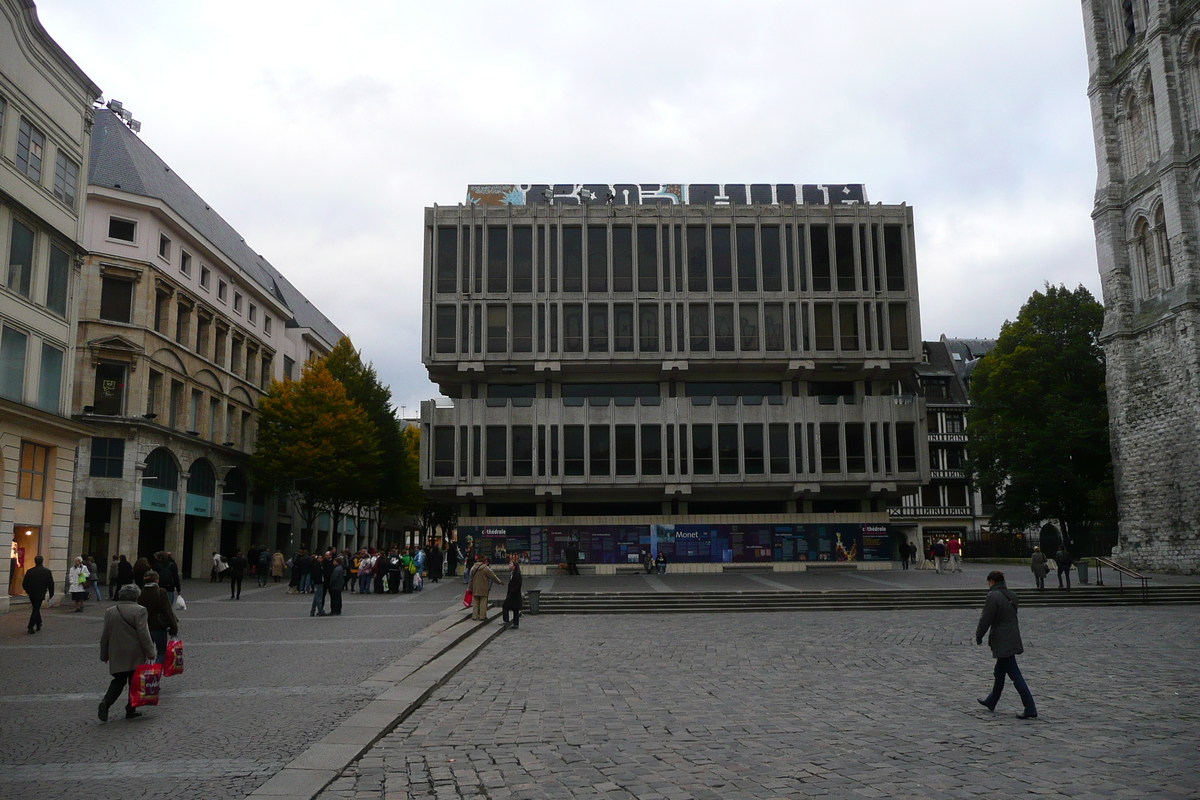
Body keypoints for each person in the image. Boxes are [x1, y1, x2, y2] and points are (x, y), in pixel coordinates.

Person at [975, 570, 1037, 719]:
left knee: (1014, 674)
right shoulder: (1012, 595)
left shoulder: (993, 596)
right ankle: (992, 700)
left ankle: (1030, 707)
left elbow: (986, 619)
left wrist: (979, 635)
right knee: (999, 672)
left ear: (991, 581)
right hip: (1012, 636)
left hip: (1002, 639)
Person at [99, 583, 157, 722]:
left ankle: (106, 703)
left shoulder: (110, 611)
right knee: (134, 681)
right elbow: (143, 633)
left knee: (118, 680)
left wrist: (104, 654)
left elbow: (105, 635)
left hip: (116, 651)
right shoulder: (140, 610)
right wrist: (150, 652)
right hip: (134, 652)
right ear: (136, 596)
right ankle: (131, 709)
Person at [137, 571, 178, 665]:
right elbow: (167, 611)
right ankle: (155, 674)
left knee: (146, 652)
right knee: (161, 652)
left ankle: (145, 673)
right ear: (156, 580)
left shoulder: (140, 593)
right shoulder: (160, 592)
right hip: (158, 626)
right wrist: (173, 628)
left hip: (144, 626)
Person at [21, 555, 54, 634]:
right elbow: (51, 584)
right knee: (36, 609)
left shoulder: (30, 571)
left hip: (32, 593)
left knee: (36, 608)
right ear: (42, 561)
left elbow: (24, 583)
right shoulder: (47, 571)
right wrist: (51, 594)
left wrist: (28, 591)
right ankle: (30, 626)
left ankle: (39, 623)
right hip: (40, 593)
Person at [468, 556, 503, 621]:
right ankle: (482, 616)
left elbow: (470, 580)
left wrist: (470, 589)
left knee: (476, 602)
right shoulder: (486, 568)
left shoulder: (473, 568)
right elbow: (493, 577)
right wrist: (499, 582)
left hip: (475, 588)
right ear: (483, 561)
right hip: (484, 588)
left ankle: (475, 616)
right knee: (483, 602)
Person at [501, 557, 523, 629]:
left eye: (511, 564)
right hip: (513, 595)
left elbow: (518, 585)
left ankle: (506, 621)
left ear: (514, 566)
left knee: (505, 606)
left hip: (514, 595)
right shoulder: (513, 573)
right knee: (515, 609)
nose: (509, 565)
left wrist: (512, 592)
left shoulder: (517, 574)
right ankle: (515, 624)